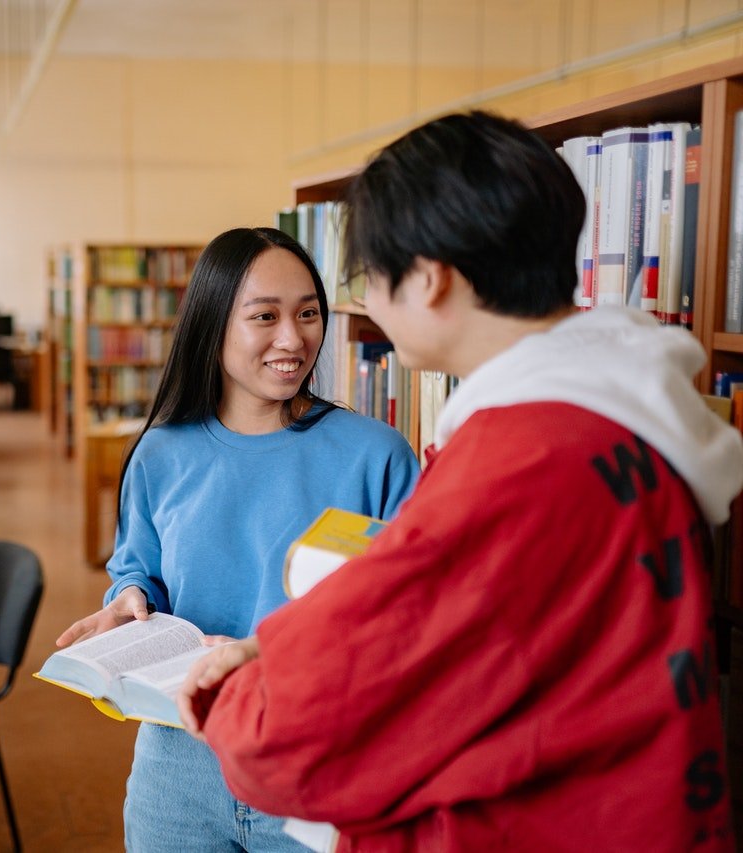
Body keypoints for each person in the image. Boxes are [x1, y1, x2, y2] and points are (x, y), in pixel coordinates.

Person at [178, 111, 743, 851]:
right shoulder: (630, 414)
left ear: (430, 279)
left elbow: (283, 739)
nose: (365, 304)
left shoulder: (515, 464)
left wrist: (230, 691)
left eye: (370, 279)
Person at [55, 226, 420, 851]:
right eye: (264, 316)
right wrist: (131, 595)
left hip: (314, 759)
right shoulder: (159, 453)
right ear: (213, 324)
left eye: (308, 313)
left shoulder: (375, 455)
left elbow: (410, 613)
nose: (293, 338)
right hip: (178, 762)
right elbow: (137, 567)